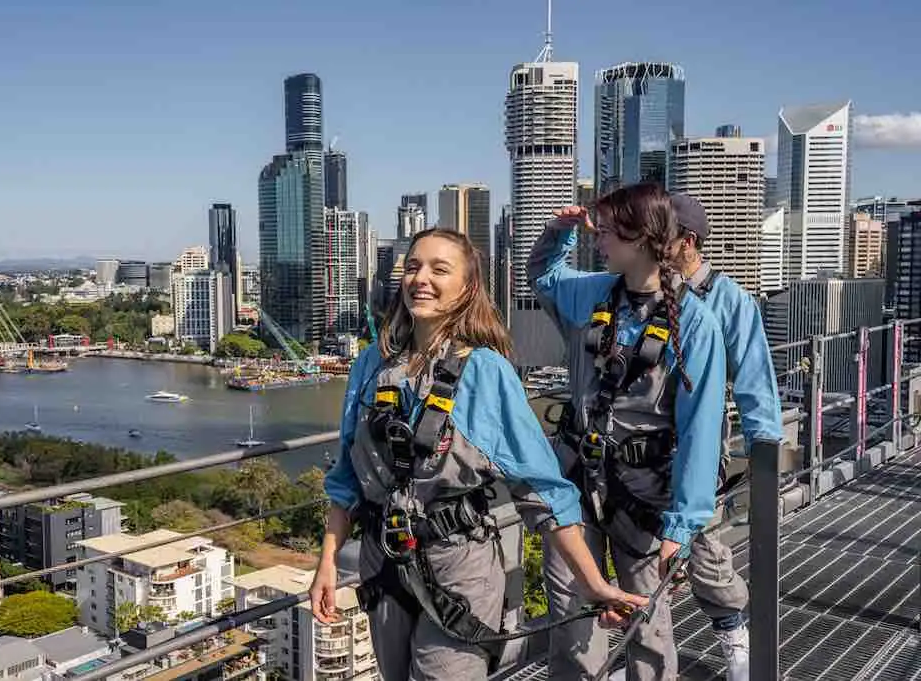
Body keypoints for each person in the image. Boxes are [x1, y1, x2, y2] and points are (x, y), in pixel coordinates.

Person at [310, 228, 647, 681]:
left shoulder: (485, 372)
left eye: (439, 269)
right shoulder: (373, 364)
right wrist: (327, 562)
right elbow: (347, 476)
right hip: (382, 560)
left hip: (458, 567)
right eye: (412, 267)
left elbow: (543, 489)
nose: (420, 279)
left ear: (467, 287)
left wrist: (593, 583)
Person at [530, 183, 727, 681]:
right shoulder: (596, 292)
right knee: (572, 619)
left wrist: (680, 529)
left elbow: (700, 432)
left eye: (609, 230)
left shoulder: (695, 323)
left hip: (642, 495)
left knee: (647, 624)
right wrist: (557, 233)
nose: (599, 239)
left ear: (641, 237)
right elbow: (544, 277)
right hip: (575, 481)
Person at [670, 193, 784, 681]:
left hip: (694, 447)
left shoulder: (729, 301)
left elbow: (755, 377)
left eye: (662, 233)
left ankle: (733, 628)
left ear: (688, 242)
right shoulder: (642, 289)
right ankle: (649, 654)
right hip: (633, 447)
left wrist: (766, 449)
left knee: (701, 546)